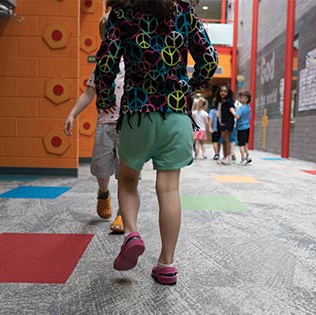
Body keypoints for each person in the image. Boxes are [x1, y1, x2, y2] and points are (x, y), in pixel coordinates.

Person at [94, 0, 218, 285]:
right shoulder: (184, 11)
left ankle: (132, 233)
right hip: (176, 114)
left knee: (127, 179)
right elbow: (209, 58)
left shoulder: (122, 13)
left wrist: (104, 99)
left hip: (138, 111)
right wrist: (190, 84)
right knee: (169, 188)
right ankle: (166, 264)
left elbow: (107, 62)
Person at [64, 14, 125, 233]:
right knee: (102, 168)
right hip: (105, 124)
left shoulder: (136, 62)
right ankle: (103, 193)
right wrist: (72, 114)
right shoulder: (102, 64)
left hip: (128, 126)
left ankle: (122, 213)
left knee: (126, 172)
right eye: (108, 32)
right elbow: (89, 93)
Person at [214, 85, 235, 165]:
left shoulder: (229, 102)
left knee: (226, 139)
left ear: (228, 93)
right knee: (223, 140)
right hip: (220, 123)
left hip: (227, 123)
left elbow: (232, 110)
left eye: (225, 91)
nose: (223, 93)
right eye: (221, 91)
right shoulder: (218, 102)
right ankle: (225, 156)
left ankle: (228, 157)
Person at [234, 90, 252, 165]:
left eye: (242, 98)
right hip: (247, 127)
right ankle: (247, 156)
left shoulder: (241, 108)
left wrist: (232, 111)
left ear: (247, 99)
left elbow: (237, 116)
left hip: (241, 128)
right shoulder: (248, 107)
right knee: (245, 143)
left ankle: (243, 158)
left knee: (241, 144)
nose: (241, 99)